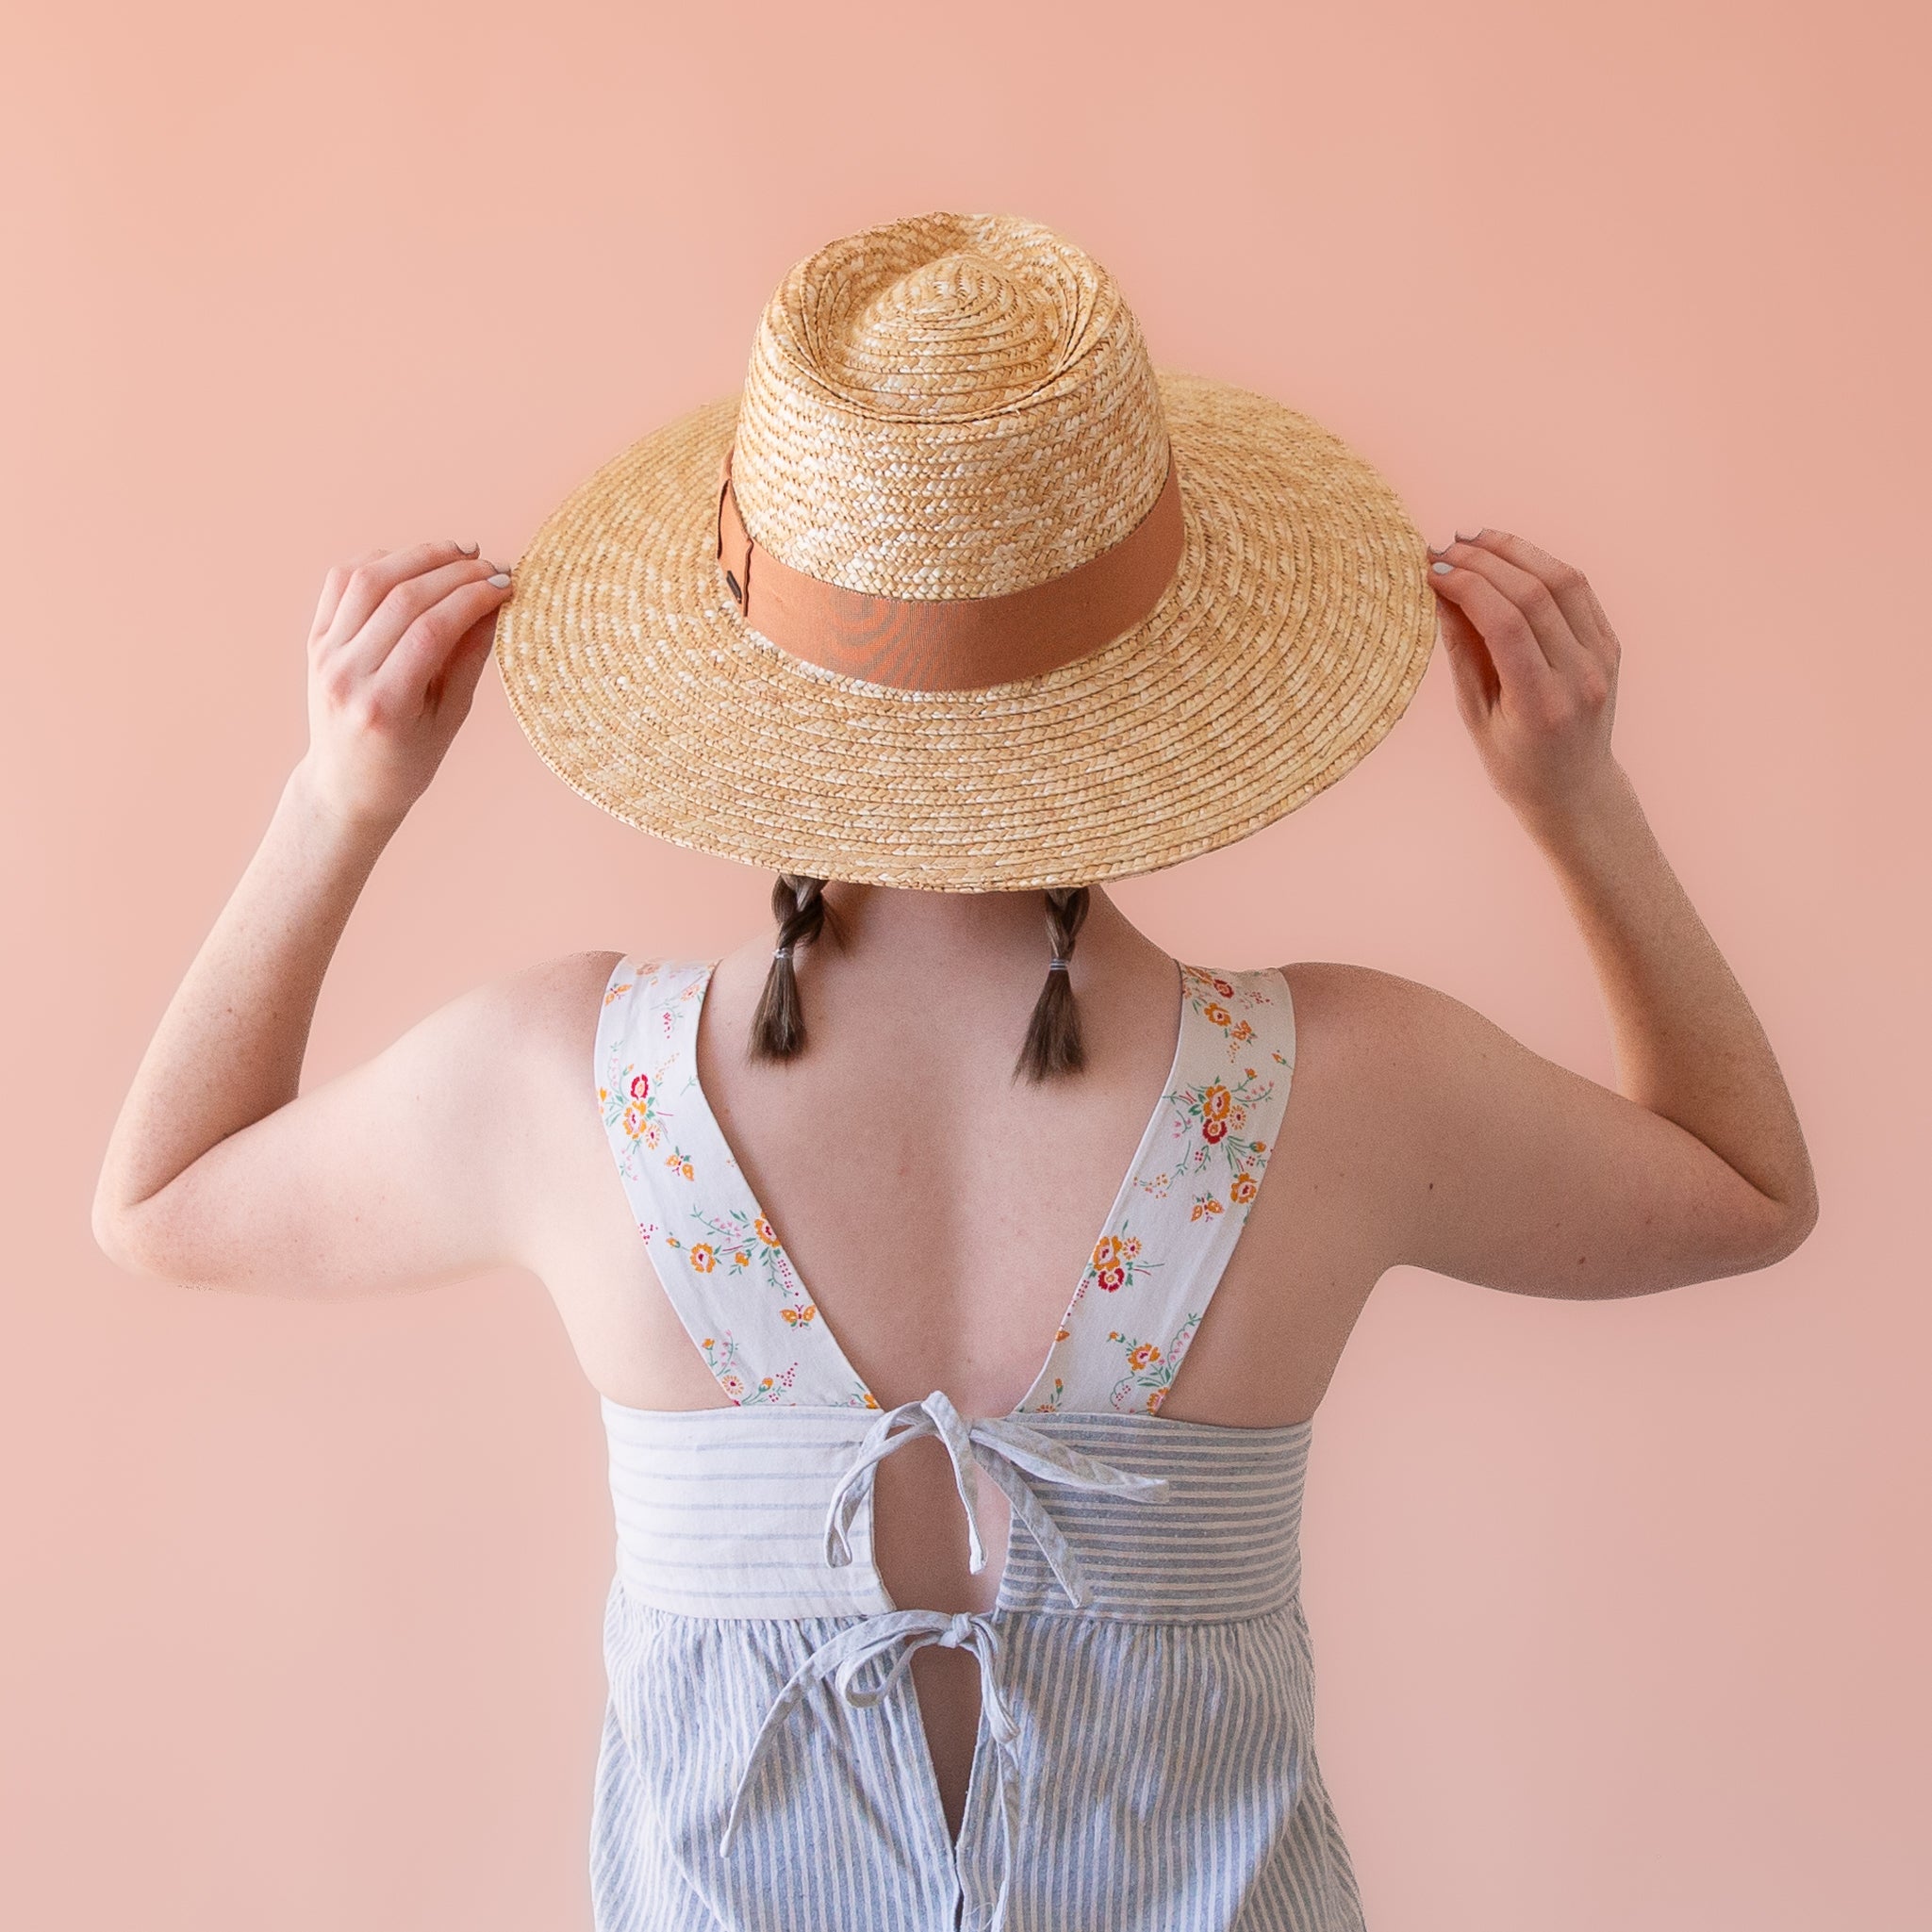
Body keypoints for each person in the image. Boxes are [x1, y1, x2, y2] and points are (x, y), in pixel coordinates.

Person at [92, 212, 1816, 1931]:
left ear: (743, 668)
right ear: (1158, 677)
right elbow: (1745, 1188)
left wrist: (338, 801)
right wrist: (1574, 802)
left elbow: (160, 1198)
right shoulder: (1340, 1085)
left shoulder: (568, 1088)